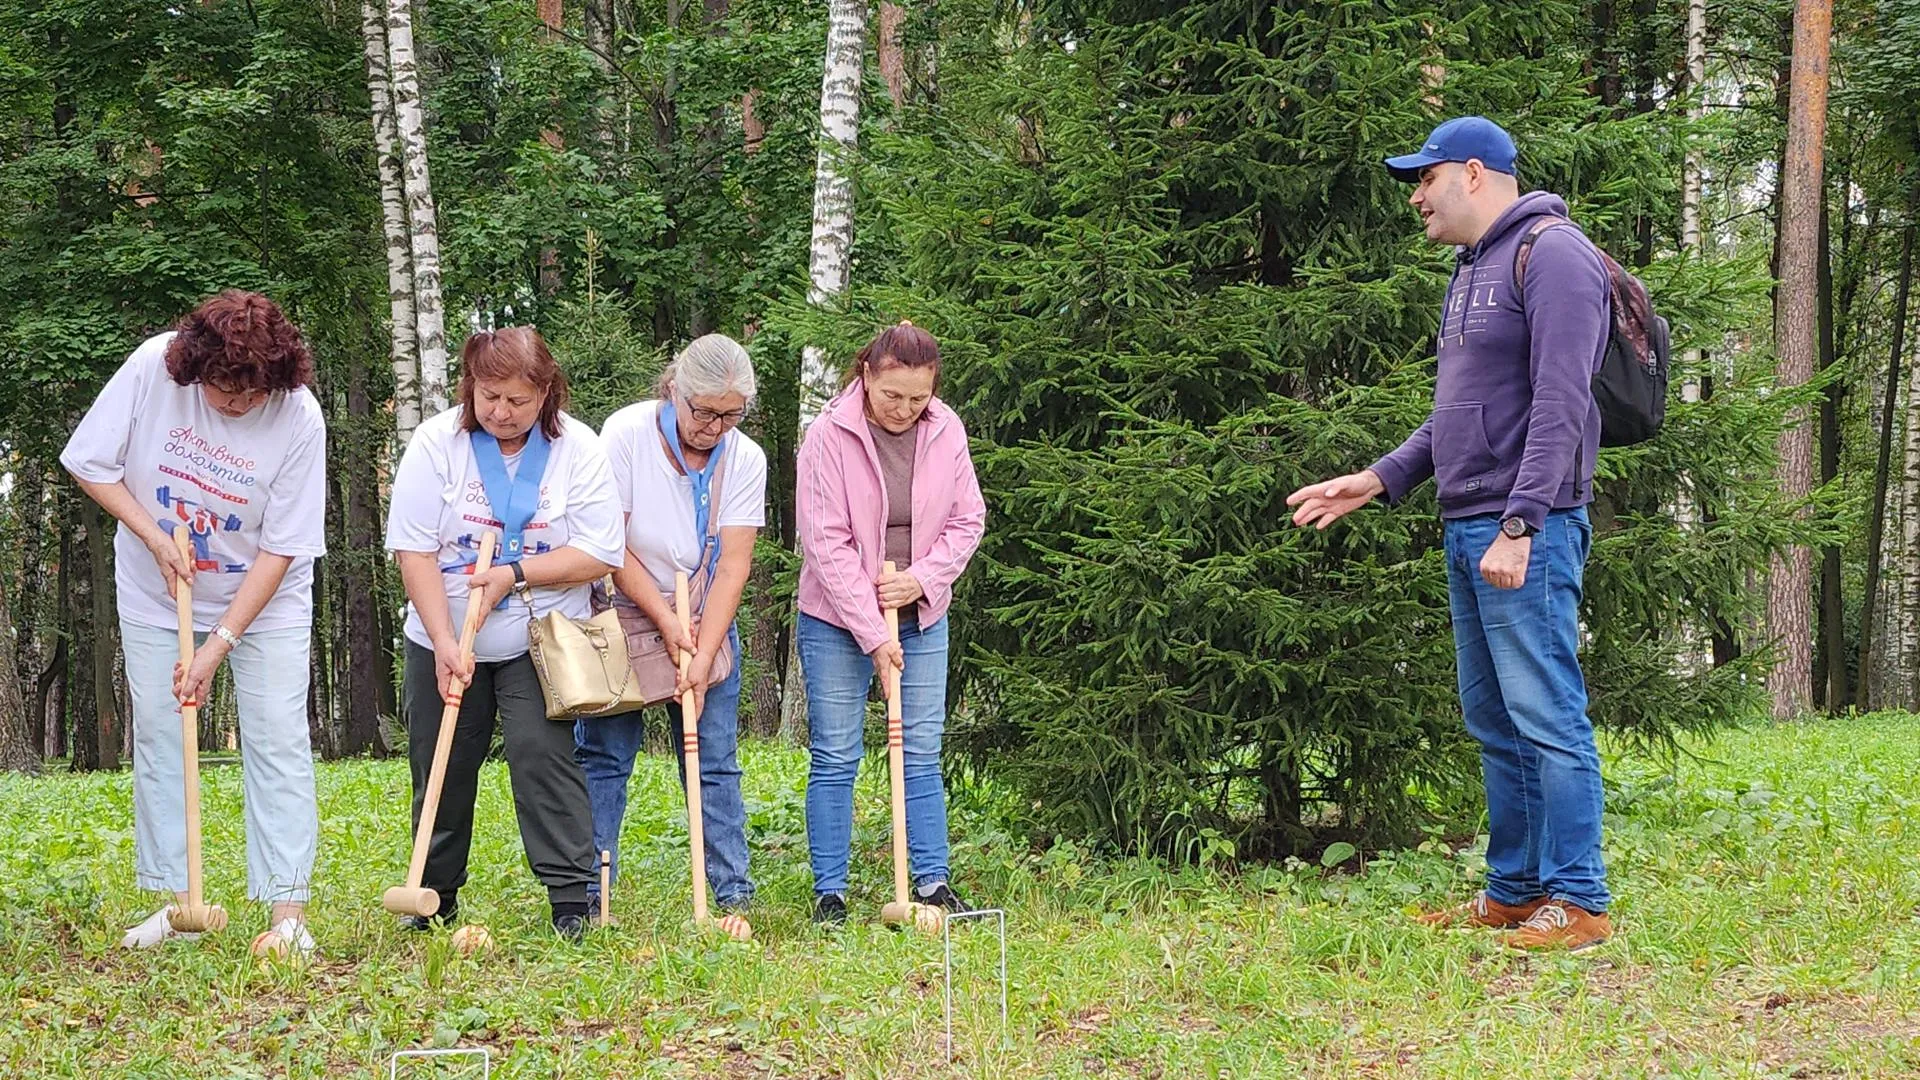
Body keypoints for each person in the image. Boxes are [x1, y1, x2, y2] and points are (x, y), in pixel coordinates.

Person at [1287, 117, 1614, 951]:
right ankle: (1515, 890)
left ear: (1473, 173)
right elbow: (1454, 416)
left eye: (1423, 178)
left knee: (1547, 714)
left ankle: (1578, 902)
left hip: (1522, 531)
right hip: (1468, 525)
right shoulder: (1472, 269)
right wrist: (1378, 479)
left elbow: (1561, 404)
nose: (1415, 196)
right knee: (1494, 719)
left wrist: (1521, 523)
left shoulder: (1556, 253)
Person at [61, 290, 327, 954]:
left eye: (251, 395)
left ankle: (287, 916)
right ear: (195, 368)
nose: (236, 405)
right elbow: (89, 461)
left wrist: (220, 644)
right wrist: (153, 537)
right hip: (158, 590)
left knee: (277, 742)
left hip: (265, 602)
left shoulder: (300, 418)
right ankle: (181, 905)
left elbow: (284, 547)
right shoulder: (155, 366)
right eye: (222, 390)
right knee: (161, 730)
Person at [384, 326, 623, 941]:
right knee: (442, 760)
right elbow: (413, 549)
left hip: (540, 634)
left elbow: (600, 550)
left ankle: (571, 900)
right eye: (489, 396)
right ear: (471, 386)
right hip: (444, 634)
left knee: (541, 756)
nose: (501, 412)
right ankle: (434, 896)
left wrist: (514, 573)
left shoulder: (579, 448)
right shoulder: (437, 443)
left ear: (546, 393)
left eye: (517, 400)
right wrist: (442, 641)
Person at [795, 322, 986, 926]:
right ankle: (831, 892)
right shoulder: (828, 436)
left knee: (921, 750)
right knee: (836, 753)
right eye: (891, 396)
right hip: (836, 615)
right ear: (866, 377)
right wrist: (874, 633)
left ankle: (932, 882)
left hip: (921, 612)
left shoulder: (946, 429)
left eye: (917, 398)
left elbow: (967, 520)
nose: (904, 409)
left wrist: (923, 579)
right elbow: (825, 543)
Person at [573, 335, 765, 936]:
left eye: (730, 414)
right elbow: (609, 543)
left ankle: (731, 893)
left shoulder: (745, 457)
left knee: (712, 758)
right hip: (628, 600)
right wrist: (664, 620)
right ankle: (589, 894)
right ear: (673, 391)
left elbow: (734, 562)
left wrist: (703, 653)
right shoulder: (625, 434)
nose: (714, 426)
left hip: (705, 609)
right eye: (703, 410)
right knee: (605, 752)